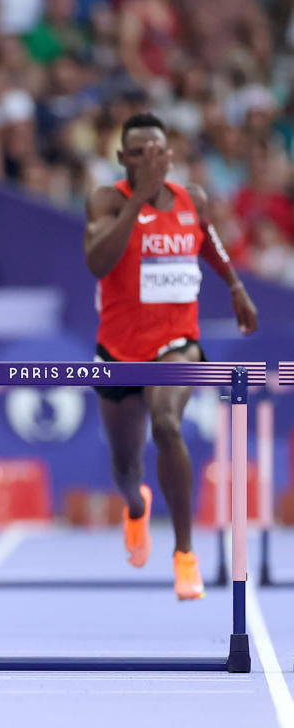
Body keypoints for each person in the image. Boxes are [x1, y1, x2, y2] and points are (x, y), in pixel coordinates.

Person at [83, 112, 258, 601]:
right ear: (123, 159)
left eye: (155, 150)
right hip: (117, 350)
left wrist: (236, 286)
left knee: (166, 424)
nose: (148, 159)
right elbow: (97, 260)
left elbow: (210, 242)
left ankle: (184, 554)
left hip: (177, 345)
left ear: (170, 154)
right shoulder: (105, 199)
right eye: (137, 152)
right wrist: (137, 201)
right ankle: (135, 507)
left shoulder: (191, 199)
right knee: (125, 465)